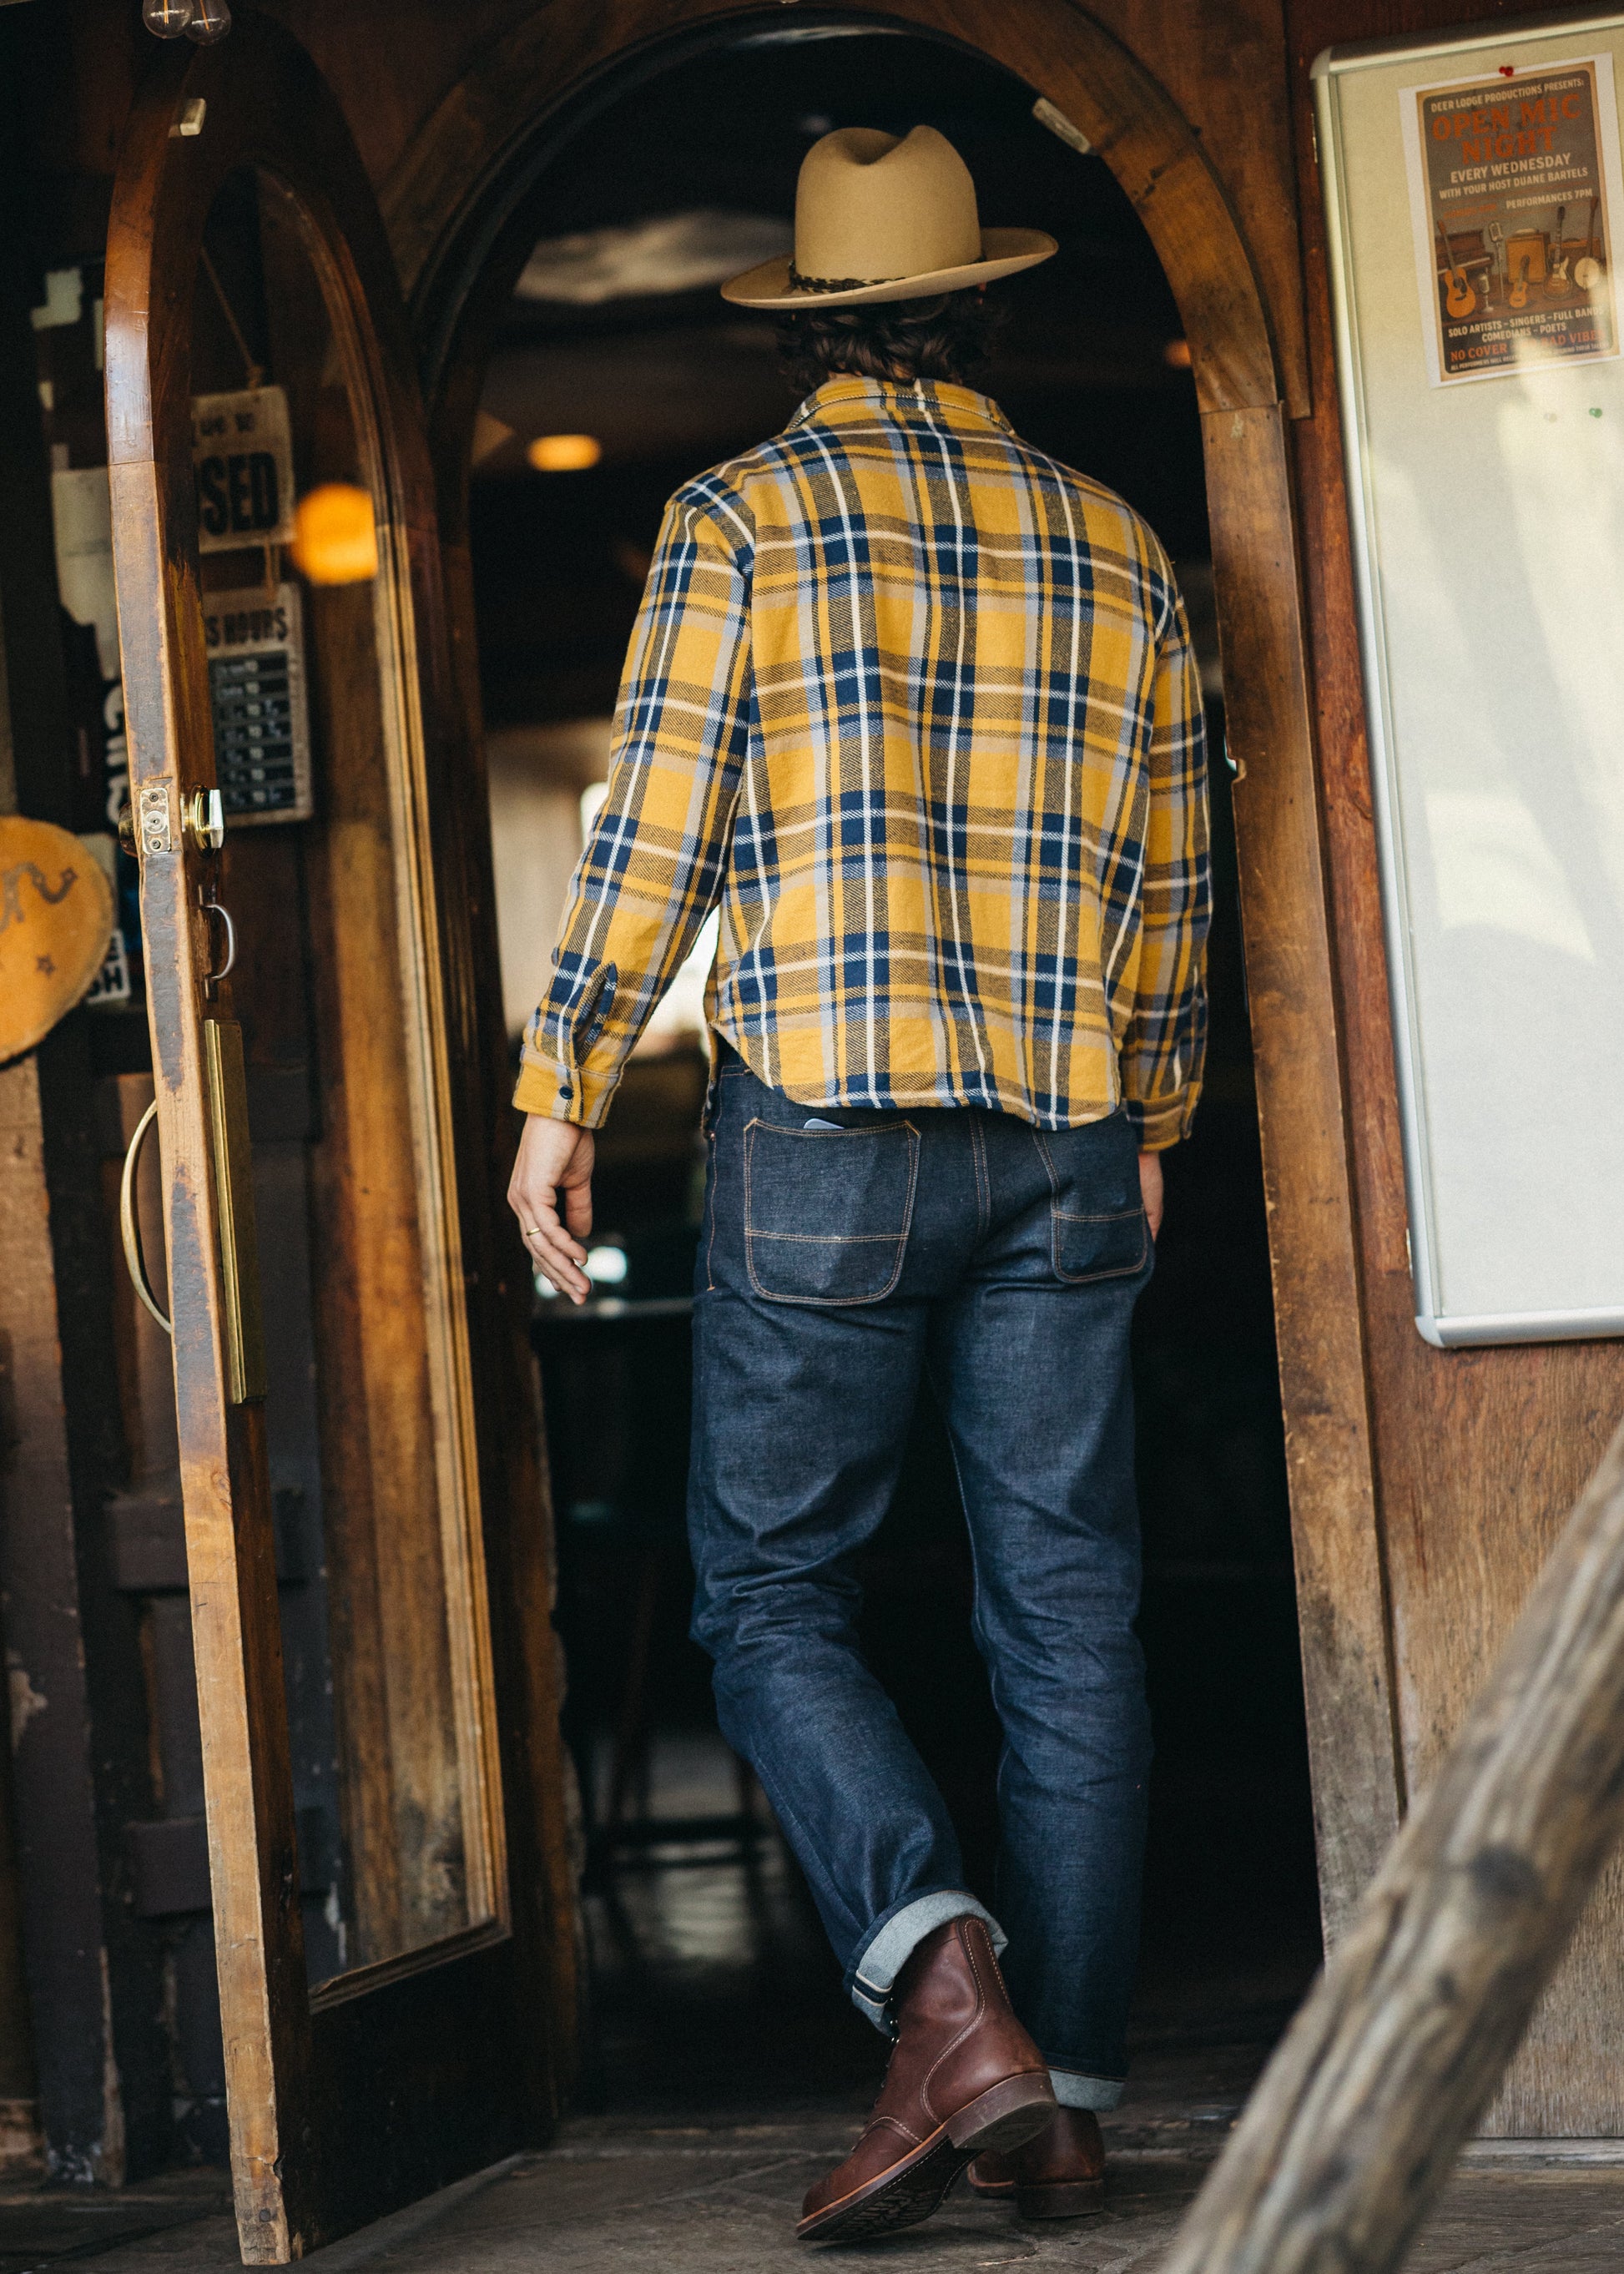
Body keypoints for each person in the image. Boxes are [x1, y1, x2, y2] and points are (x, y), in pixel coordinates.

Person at [507, 122, 1210, 2243]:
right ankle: (1063, 2091)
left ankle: (940, 1984)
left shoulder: (737, 519)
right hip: (1069, 1141)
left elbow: (656, 840)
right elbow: (1172, 876)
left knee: (768, 1593)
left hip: (823, 1135)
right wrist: (1152, 1117)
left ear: (812, 317)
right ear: (978, 305)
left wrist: (558, 1088)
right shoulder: (1113, 541)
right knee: (1070, 1615)